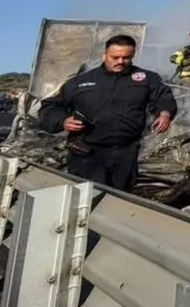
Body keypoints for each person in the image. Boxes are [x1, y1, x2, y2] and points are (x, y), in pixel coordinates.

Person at [38, 34, 177, 192]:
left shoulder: (146, 79)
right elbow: (49, 107)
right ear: (104, 55)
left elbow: (163, 97)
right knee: (87, 198)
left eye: (126, 57)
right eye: (115, 57)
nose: (120, 62)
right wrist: (62, 121)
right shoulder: (80, 82)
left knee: (118, 199)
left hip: (125, 154)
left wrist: (165, 113)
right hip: (86, 154)